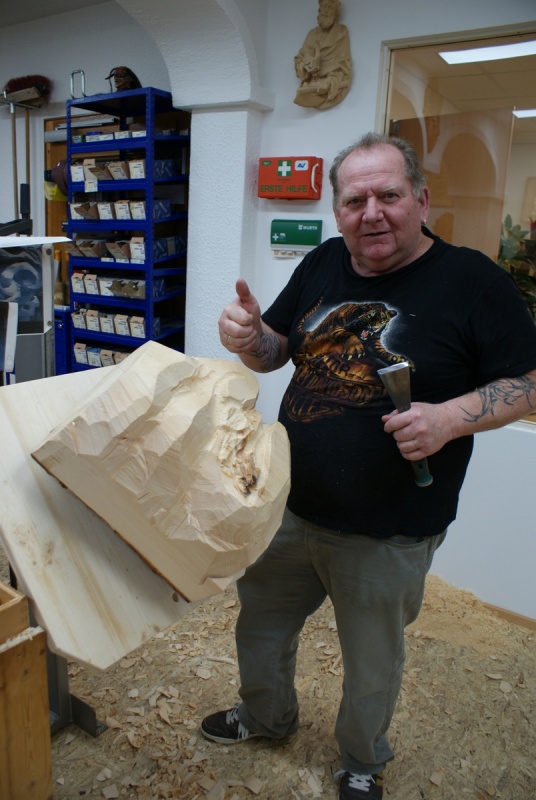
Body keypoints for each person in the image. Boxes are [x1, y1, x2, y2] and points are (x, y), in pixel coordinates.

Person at [201, 132, 536, 800]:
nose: (372, 213)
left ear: (421, 200)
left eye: (389, 195)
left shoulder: (472, 281)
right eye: (355, 201)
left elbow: (530, 382)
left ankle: (361, 759)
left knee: (371, 662)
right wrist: (248, 336)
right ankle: (266, 717)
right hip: (289, 505)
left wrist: (451, 418)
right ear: (338, 211)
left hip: (391, 527)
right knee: (260, 626)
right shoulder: (324, 262)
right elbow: (276, 351)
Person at [294, 0, 352, 110]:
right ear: (319, 10)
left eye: (330, 8)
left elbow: (344, 66)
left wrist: (331, 80)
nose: (325, 11)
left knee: (325, 85)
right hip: (312, 83)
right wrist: (306, 66)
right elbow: (299, 60)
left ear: (335, 14)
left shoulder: (341, 33)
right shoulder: (312, 34)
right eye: (324, 7)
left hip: (329, 81)